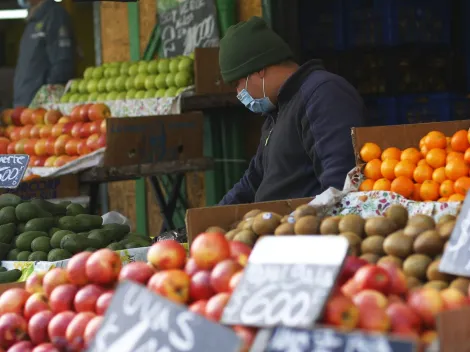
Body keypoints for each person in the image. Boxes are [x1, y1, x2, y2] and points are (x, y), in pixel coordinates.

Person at [218, 16, 365, 205]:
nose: (239, 93)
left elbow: (340, 181)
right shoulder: (277, 112)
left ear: (258, 70)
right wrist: (206, 219)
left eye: (237, 84)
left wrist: (302, 224)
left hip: (304, 229)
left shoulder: (323, 94)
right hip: (274, 229)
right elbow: (253, 181)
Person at [14, 0, 75, 107]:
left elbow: (62, 64)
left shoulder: (54, 15)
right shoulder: (33, 20)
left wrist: (44, 101)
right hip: (24, 105)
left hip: (40, 109)